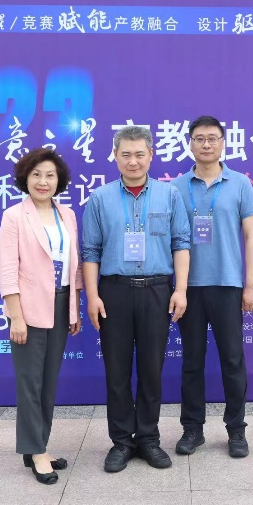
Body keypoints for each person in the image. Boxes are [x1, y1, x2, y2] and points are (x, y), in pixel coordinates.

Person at [81, 126, 191, 473]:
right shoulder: (100, 198)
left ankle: (148, 439)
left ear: (151, 156)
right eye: (126, 154)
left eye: (139, 154)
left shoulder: (169, 195)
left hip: (157, 290)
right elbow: (90, 251)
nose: (133, 161)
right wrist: (93, 295)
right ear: (115, 156)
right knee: (116, 371)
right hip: (114, 291)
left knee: (151, 370)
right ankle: (121, 442)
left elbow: (181, 243)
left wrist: (180, 289)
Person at [170, 116, 253, 459]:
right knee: (192, 361)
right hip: (189, 287)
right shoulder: (176, 187)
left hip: (227, 285)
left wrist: (250, 285)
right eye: (199, 138)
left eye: (212, 138)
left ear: (223, 143)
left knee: (232, 360)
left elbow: (251, 237)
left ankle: (236, 430)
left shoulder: (240, 183)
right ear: (190, 144)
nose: (206, 144)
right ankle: (192, 429)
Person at [0, 148, 83, 485]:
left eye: (49, 175)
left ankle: (37, 446)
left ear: (59, 180)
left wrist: (74, 307)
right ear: (25, 178)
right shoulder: (14, 216)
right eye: (36, 175)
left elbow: (74, 266)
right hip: (28, 309)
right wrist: (16, 317)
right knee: (30, 383)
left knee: (48, 382)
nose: (43, 182)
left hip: (61, 305)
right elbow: (8, 269)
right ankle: (36, 451)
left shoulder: (68, 215)